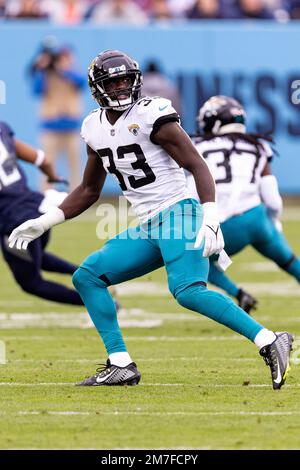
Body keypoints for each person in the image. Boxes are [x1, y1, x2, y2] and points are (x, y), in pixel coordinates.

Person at [9, 50, 293, 390]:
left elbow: (197, 166)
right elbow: (88, 189)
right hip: (149, 225)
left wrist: (210, 216)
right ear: (97, 88)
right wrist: (45, 221)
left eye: (125, 80)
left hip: (178, 212)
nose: (120, 87)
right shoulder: (93, 128)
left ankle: (270, 339)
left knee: (187, 290)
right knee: (87, 277)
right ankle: (121, 364)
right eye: (112, 82)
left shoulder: (152, 114)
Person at [186, 95, 300, 313]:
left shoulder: (197, 147)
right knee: (290, 262)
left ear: (214, 121)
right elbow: (273, 199)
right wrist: (273, 223)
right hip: (257, 219)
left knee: (194, 260)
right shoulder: (258, 146)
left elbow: (191, 192)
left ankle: (238, 294)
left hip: (224, 225)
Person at [0, 121, 84, 305]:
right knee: (34, 255)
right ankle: (87, 274)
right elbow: (43, 160)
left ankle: (100, 300)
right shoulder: (1, 127)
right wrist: (52, 177)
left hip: (14, 220)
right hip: (37, 208)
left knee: (31, 282)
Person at [29, 40, 85, 191]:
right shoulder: (45, 74)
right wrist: (42, 69)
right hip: (50, 126)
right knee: (47, 163)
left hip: (71, 126)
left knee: (74, 165)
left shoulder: (74, 71)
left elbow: (82, 83)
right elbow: (36, 90)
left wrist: (64, 70)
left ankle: (77, 195)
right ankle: (46, 194)